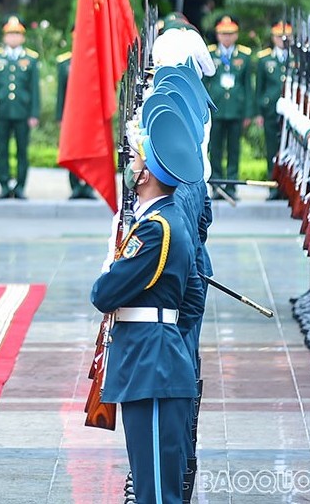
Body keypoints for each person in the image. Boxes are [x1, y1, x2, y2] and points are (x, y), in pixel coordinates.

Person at [91, 104, 201, 504]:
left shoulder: (155, 230)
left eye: (134, 160)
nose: (129, 166)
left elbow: (103, 295)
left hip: (152, 365)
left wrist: (112, 265)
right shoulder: (165, 220)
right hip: (155, 357)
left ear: (148, 174)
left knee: (155, 493)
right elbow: (192, 302)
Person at [0, 15, 40, 199]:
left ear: (23, 37)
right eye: (10, 34)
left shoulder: (30, 59)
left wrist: (34, 113)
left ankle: (21, 186)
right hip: (2, 112)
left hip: (22, 112)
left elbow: (34, 89)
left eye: (17, 34)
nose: (13, 38)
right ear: (4, 37)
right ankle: (3, 184)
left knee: (22, 150)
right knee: (2, 150)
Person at [203, 15, 251, 199]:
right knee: (214, 148)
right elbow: (205, 83)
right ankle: (216, 185)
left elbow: (248, 86)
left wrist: (248, 112)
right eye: (223, 34)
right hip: (216, 108)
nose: (227, 37)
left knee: (234, 149)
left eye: (230, 34)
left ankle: (231, 186)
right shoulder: (210, 54)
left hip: (235, 109)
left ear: (236, 35)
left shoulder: (244, 56)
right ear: (217, 35)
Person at [253, 20, 292, 200]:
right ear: (273, 37)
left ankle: (288, 188)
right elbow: (259, 88)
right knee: (272, 149)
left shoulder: (296, 59)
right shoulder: (265, 59)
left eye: (286, 37)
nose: (282, 40)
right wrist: (259, 112)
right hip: (270, 110)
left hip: (292, 113)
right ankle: (273, 185)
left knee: (290, 151)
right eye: (278, 36)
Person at [56, 48, 93, 199]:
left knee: (91, 151)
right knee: (74, 151)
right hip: (72, 115)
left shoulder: (95, 59)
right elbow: (61, 92)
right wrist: (60, 116)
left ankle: (89, 186)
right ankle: (75, 186)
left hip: (91, 113)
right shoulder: (65, 62)